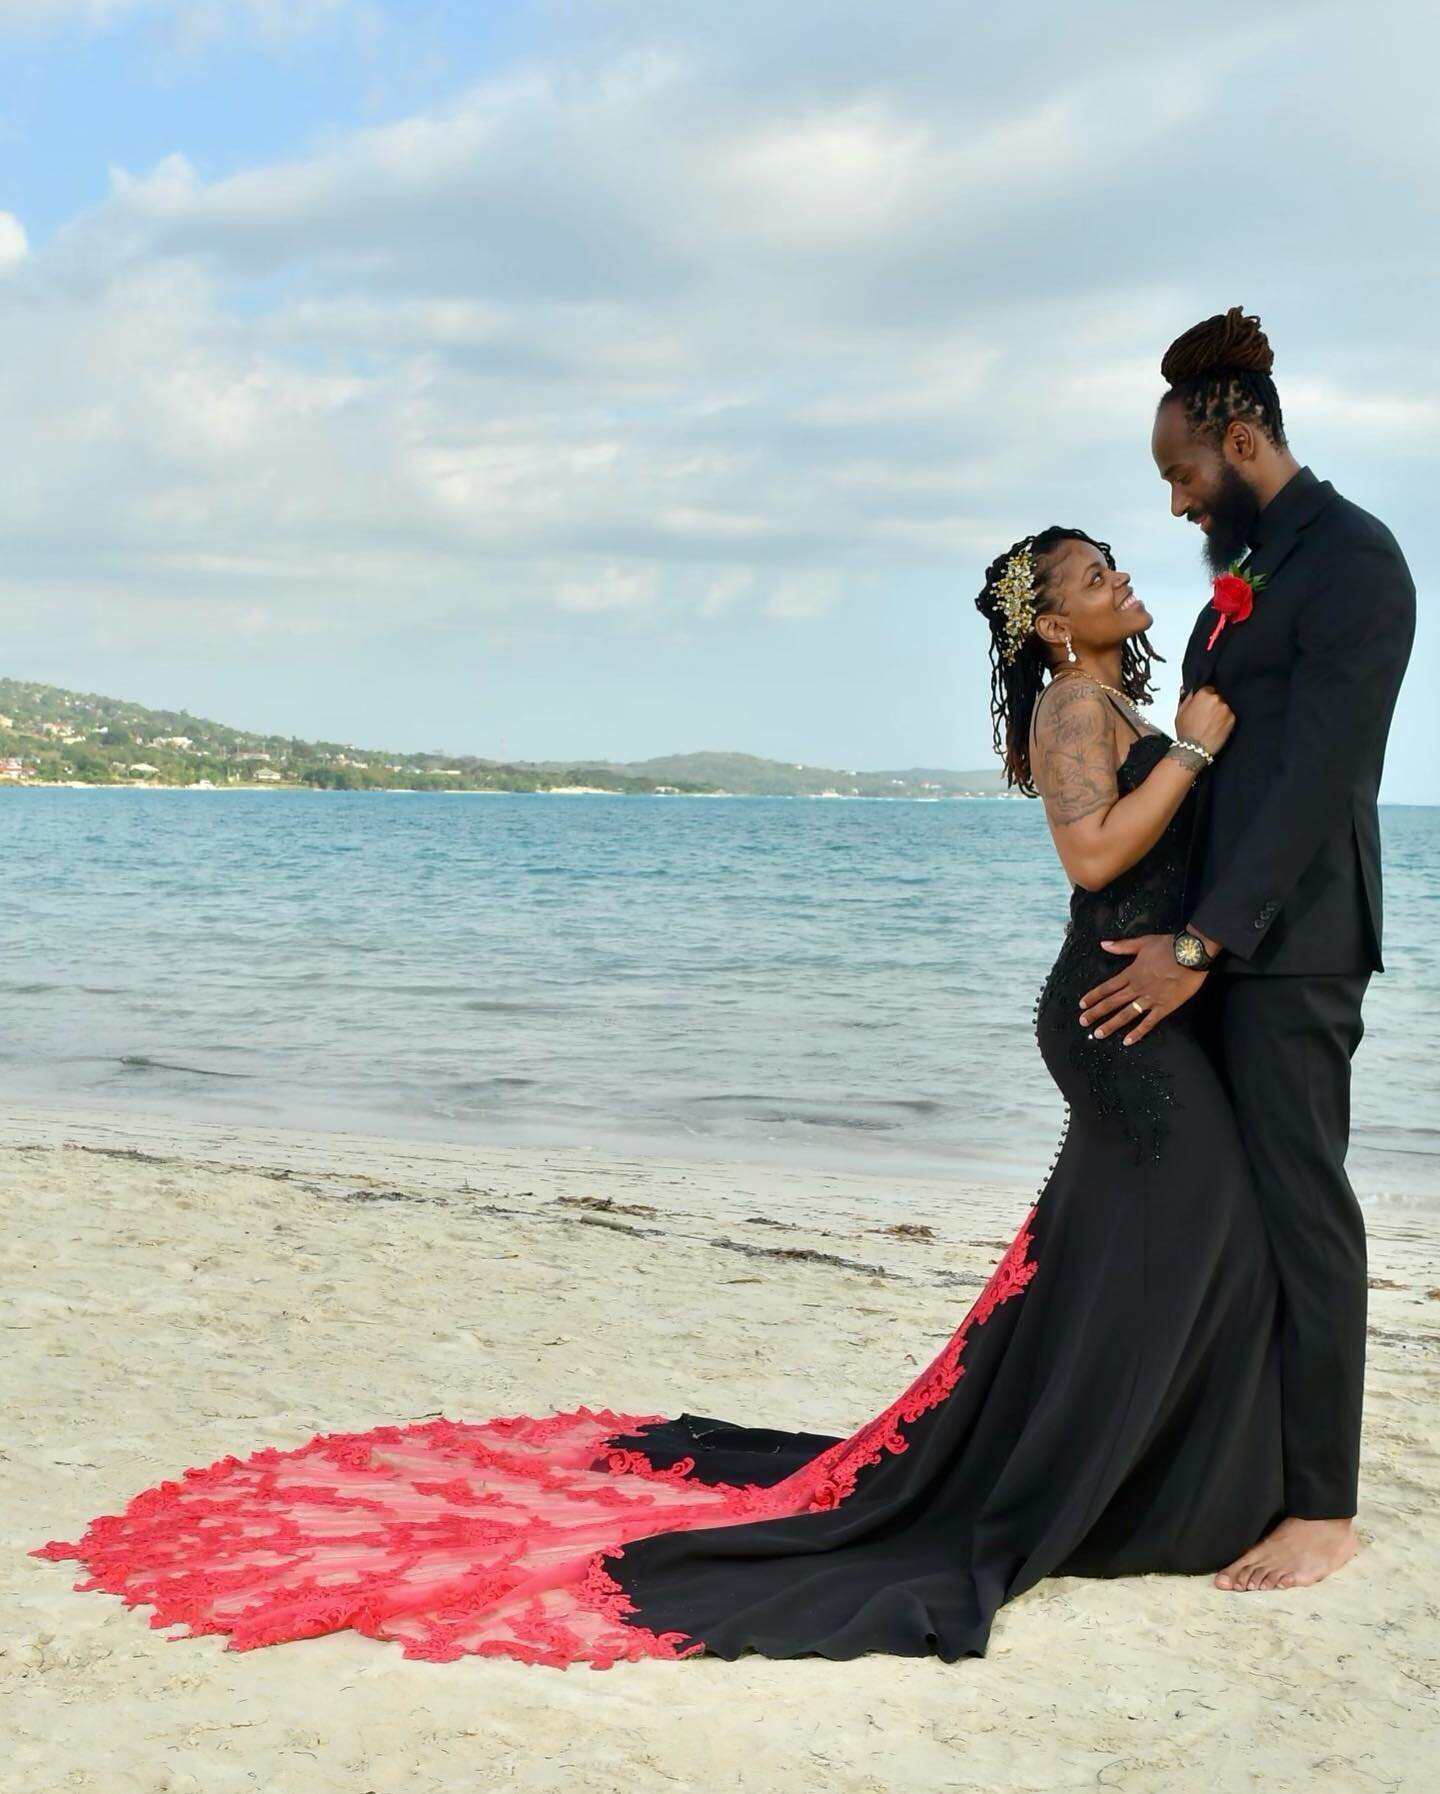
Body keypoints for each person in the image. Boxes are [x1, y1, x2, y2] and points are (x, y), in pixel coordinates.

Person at [34, 537, 1282, 1669]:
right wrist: (1196, 748)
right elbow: (1094, 856)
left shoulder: (1108, 696)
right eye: (1089, 572)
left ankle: (1127, 1478)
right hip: (1121, 1023)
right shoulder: (1079, 703)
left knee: (1122, 1257)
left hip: (1140, 1007)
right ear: (1052, 624)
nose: (1119, 574)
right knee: (1192, 1230)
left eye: (1116, 560)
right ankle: (1132, 1486)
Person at [1079, 308, 1416, 1592]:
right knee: (1219, 1211)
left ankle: (1323, 1508)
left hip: (1292, 949)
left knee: (1303, 1211)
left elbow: (1319, 783)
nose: (1173, 505)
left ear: (1240, 436)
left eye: (1180, 476)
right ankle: (1223, 1468)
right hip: (1207, 941)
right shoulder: (1257, 560)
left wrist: (1204, 942)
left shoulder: (1357, 564)